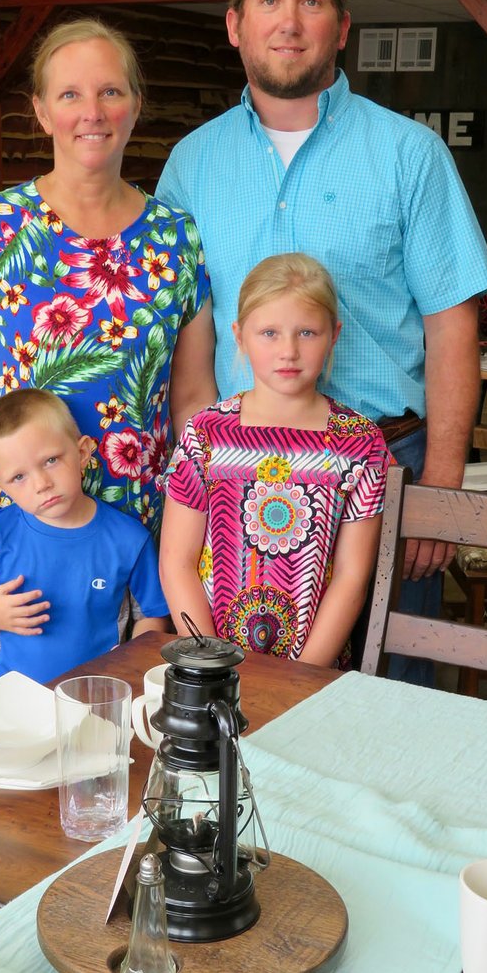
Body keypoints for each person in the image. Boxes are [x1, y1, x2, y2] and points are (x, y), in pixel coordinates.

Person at [155, 0, 487, 683]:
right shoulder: (192, 164)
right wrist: (202, 462)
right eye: (270, 1)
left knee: (394, 695)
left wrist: (442, 485)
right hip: (235, 473)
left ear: (340, 27)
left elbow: (452, 327)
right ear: (236, 25)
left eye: (311, 1)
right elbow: (188, 325)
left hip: (389, 464)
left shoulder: (409, 154)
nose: (289, 20)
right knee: (236, 692)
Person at [0, 17, 216, 693]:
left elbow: (194, 397)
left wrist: (193, 515)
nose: (92, 112)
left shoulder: (177, 241)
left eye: (111, 92)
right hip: (20, 520)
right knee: (12, 720)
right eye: (70, 95)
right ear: (40, 111)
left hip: (137, 527)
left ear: (136, 105)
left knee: (124, 720)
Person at [159, 254, 390, 669]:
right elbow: (177, 562)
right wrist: (210, 662)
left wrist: (301, 676)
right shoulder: (205, 435)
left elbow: (353, 579)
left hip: (311, 672)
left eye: (307, 332)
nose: (288, 351)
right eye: (269, 333)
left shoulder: (359, 445)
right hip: (212, 665)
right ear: (239, 335)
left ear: (334, 335)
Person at [0, 390, 168, 685]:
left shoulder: (129, 539)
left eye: (51, 461)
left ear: (82, 453)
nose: (42, 484)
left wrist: (131, 668)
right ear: (1, 486)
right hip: (10, 696)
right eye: (19, 477)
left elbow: (152, 615)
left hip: (96, 694)